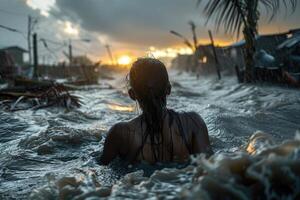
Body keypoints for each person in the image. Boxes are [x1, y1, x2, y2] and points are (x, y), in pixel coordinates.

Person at [100, 58, 212, 165]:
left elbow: (103, 174)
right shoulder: (193, 123)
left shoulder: (119, 133)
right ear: (168, 89)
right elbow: (209, 170)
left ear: (132, 94)